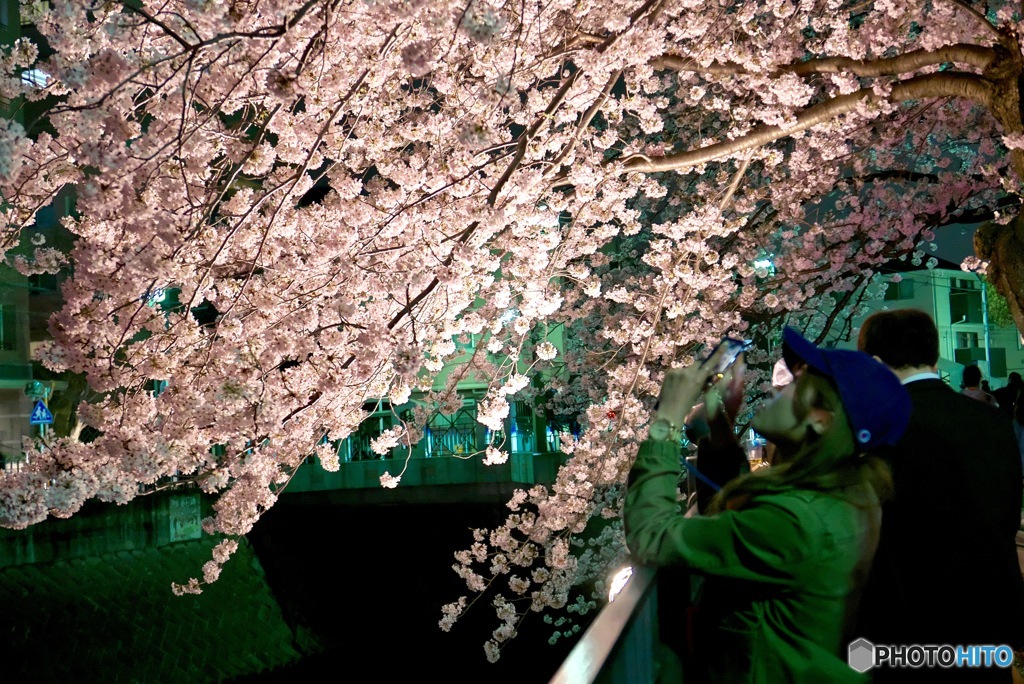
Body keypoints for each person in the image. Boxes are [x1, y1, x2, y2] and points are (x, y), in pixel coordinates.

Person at [625, 327, 911, 683]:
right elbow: (746, 524)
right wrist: (719, 427)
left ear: (821, 419)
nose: (778, 385)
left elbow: (650, 535)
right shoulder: (846, 495)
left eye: (797, 382)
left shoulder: (796, 520)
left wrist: (667, 419)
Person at [856, 309, 1024, 683]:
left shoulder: (877, 431)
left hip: (906, 629)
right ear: (932, 355)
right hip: (986, 620)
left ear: (877, 364)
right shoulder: (992, 422)